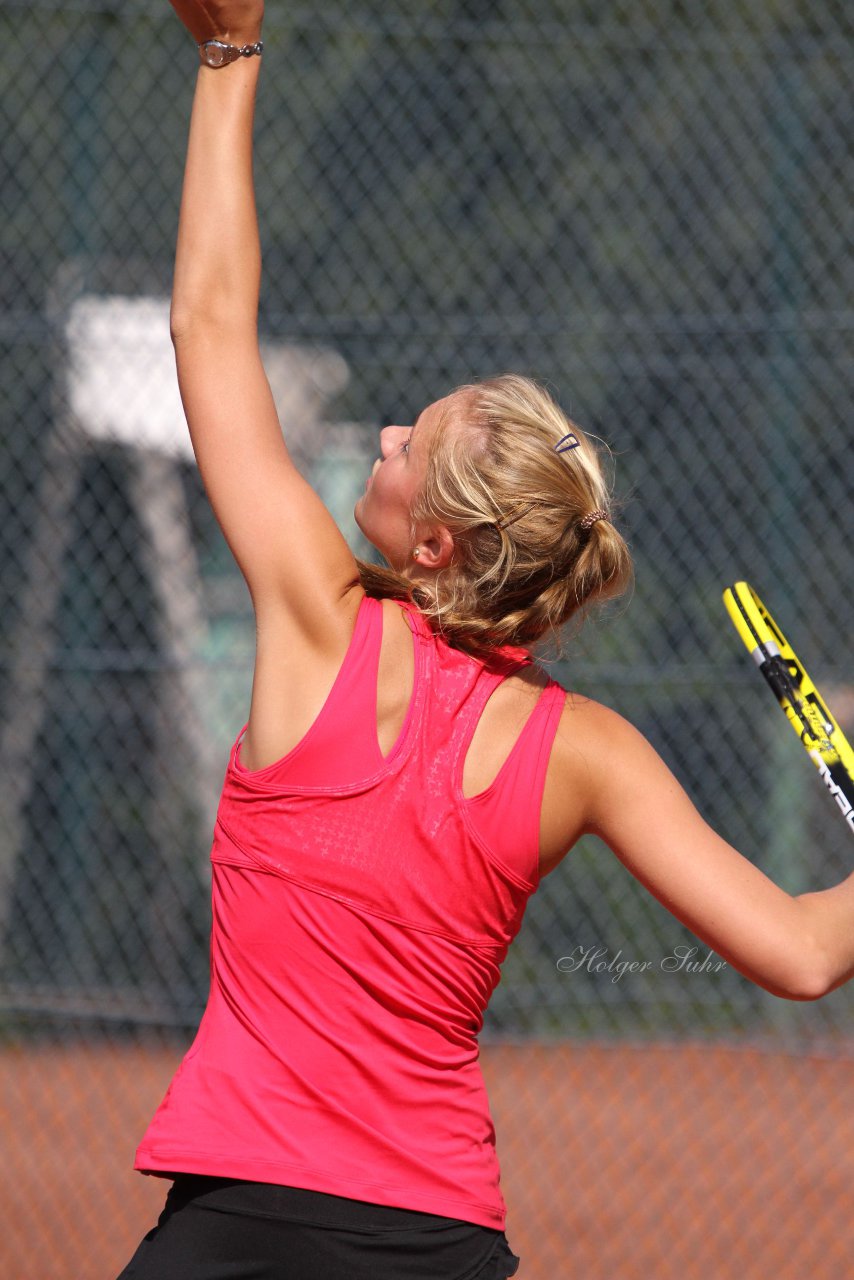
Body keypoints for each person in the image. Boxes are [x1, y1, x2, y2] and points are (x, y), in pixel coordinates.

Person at [118, 3, 854, 1277]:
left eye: (409, 442)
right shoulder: (586, 748)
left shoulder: (311, 616)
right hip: (436, 1237)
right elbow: (797, 950)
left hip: (236, 1223)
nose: (386, 440)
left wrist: (228, 52)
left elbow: (206, 323)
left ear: (434, 546)